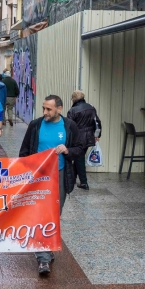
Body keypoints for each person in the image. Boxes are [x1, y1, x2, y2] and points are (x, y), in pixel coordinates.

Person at [19, 95, 84, 275]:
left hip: (60, 176)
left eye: (49, 109)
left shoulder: (69, 126)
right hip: (39, 177)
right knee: (42, 216)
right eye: (44, 108)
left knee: (54, 215)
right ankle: (43, 259)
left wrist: (67, 150)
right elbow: (24, 152)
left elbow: (80, 149)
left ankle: (46, 247)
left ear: (59, 109)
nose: (45, 112)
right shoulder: (35, 125)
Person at [67, 90, 102, 191]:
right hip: (89, 137)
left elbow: (69, 127)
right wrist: (97, 135)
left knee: (79, 159)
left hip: (78, 138)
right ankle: (72, 179)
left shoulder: (72, 110)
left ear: (73, 99)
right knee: (78, 158)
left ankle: (84, 182)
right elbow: (97, 122)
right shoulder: (91, 107)